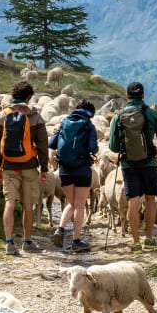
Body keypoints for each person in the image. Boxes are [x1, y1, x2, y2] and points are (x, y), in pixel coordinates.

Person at [108, 81, 157, 252]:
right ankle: (149, 238)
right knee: (150, 200)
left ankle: (135, 242)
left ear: (127, 96)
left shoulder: (118, 116)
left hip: (129, 165)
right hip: (149, 163)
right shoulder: (151, 114)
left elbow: (113, 147)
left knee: (133, 203)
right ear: (143, 96)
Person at [0, 80, 49, 256]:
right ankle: (27, 241)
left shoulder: (2, 116)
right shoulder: (35, 117)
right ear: (29, 97)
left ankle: (9, 242)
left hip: (8, 166)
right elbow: (42, 145)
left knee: (10, 202)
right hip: (29, 166)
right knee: (28, 205)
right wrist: (45, 168)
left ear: (13, 96)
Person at [49, 99, 98, 253]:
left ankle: (60, 229)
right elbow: (93, 148)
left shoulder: (64, 122)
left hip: (64, 170)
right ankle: (76, 240)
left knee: (70, 204)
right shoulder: (89, 126)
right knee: (80, 206)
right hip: (82, 170)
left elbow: (52, 144)